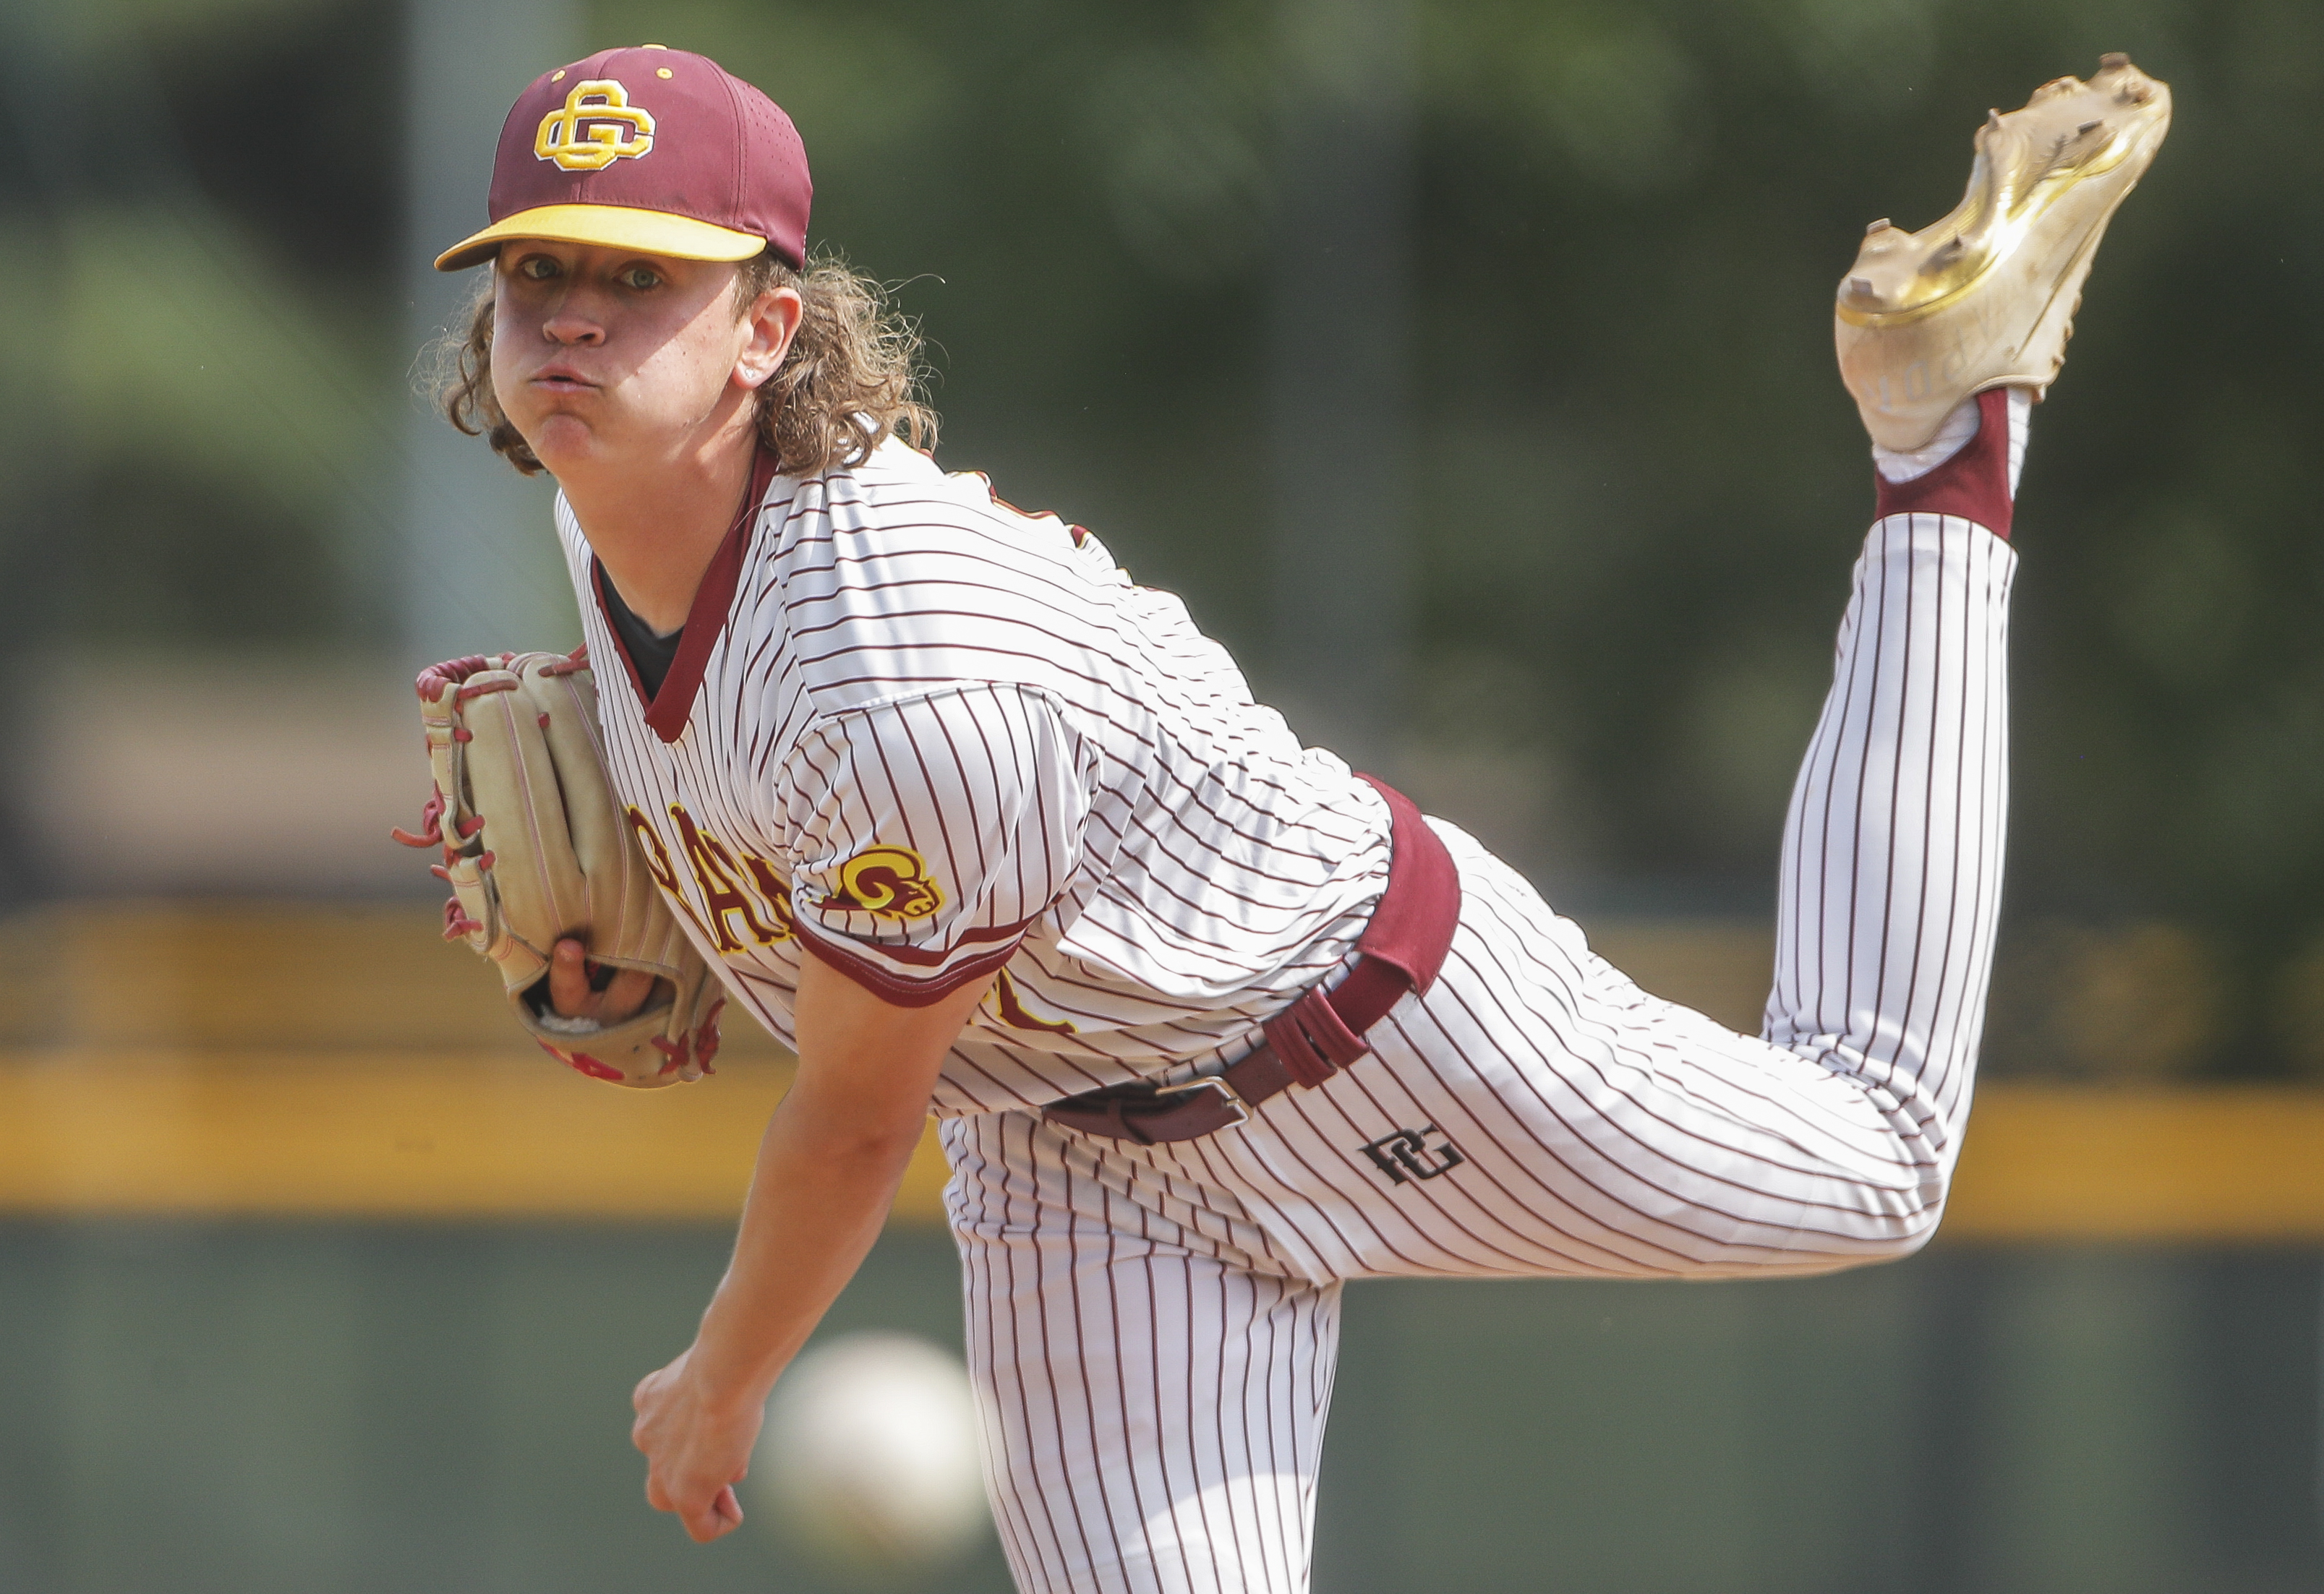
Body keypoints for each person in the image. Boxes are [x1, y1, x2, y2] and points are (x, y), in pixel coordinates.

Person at [427, 43, 2166, 1592]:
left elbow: (852, 1124)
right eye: (537, 274)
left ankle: (1940, 444)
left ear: (766, 328)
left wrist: (722, 1379)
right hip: (1078, 1156)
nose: (571, 317)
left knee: (1873, 1158)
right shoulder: (610, 527)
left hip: (1366, 1023)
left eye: (642, 278)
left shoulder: (907, 679)